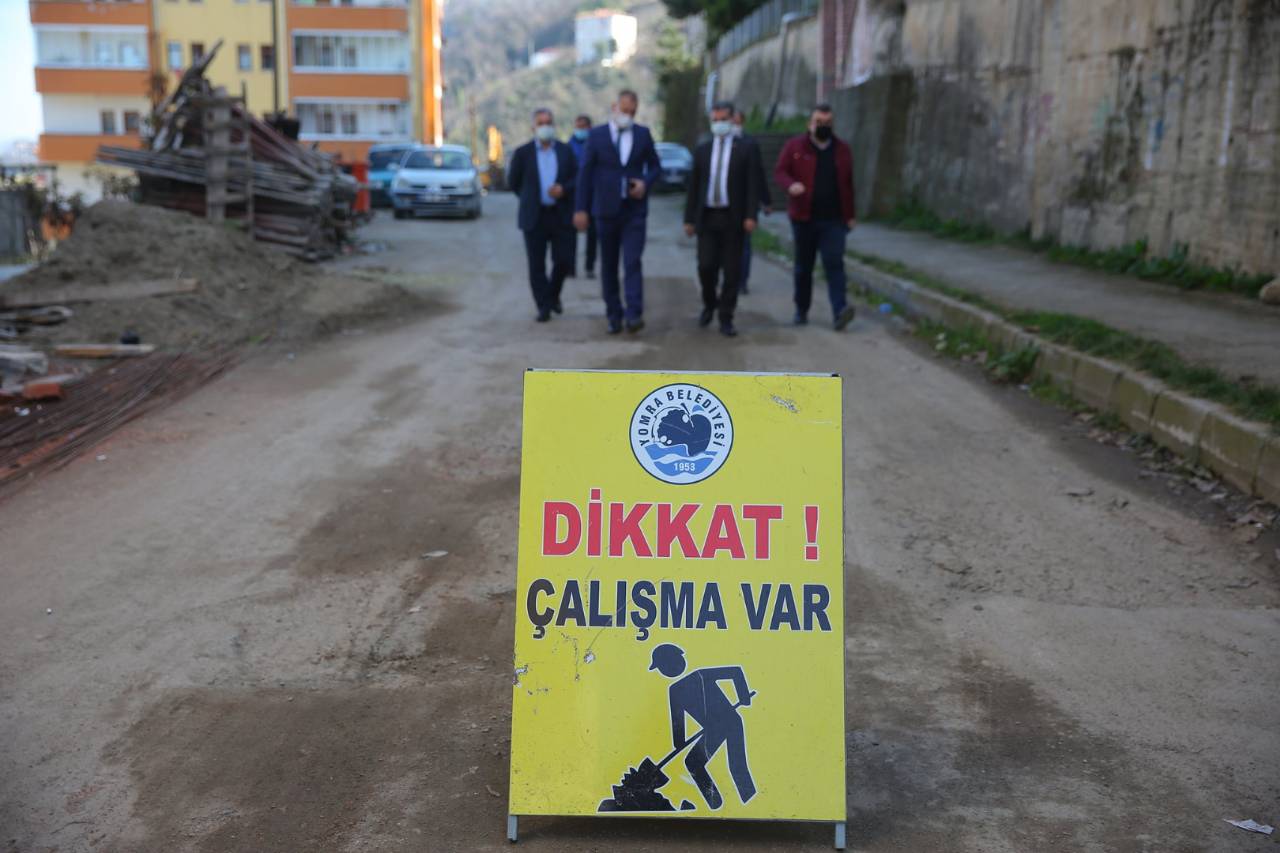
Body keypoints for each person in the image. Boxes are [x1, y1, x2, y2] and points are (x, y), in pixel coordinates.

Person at [574, 89, 662, 334]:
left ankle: (634, 314)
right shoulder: (597, 135)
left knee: (632, 261)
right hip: (606, 210)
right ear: (615, 107)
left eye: (632, 112)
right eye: (624, 110)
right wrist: (581, 208)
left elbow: (655, 166)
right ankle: (614, 314)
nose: (628, 115)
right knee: (609, 265)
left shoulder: (643, 134)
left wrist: (645, 182)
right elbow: (585, 173)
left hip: (634, 211)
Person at [774, 103, 857, 330]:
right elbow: (780, 171)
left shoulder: (842, 150)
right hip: (804, 218)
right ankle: (801, 309)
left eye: (828, 123)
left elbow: (848, 184)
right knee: (804, 266)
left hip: (834, 219)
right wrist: (791, 185)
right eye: (819, 122)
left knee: (834, 263)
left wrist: (850, 215)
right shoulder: (795, 146)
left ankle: (840, 310)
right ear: (809, 124)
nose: (823, 126)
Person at [683, 101, 759, 337]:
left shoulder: (745, 148)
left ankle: (726, 316)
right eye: (715, 120)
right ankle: (709, 303)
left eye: (723, 119)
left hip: (733, 218)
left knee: (732, 271)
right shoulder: (702, 150)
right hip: (707, 217)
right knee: (706, 266)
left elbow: (752, 185)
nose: (719, 124)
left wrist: (751, 215)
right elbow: (694, 187)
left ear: (732, 119)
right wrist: (689, 219)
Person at [649, 643, 757, 810]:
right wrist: (679, 743)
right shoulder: (675, 690)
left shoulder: (700, 675)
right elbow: (678, 722)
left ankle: (749, 803)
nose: (665, 670)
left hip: (730, 722)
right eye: (663, 668)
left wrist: (743, 695)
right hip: (714, 729)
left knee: (736, 765)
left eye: (664, 666)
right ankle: (716, 803)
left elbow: (735, 671)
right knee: (693, 763)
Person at [507, 108, 577, 322]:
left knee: (563, 260)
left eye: (548, 122)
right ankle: (543, 306)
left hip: (560, 214)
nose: (545, 127)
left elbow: (577, 178)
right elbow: (514, 182)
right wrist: (529, 198)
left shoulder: (565, 151)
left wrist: (563, 189)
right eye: (541, 123)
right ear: (533, 127)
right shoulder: (523, 153)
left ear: (554, 125)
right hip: (534, 216)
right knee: (536, 265)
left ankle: (553, 294)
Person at [732, 108, 772, 296]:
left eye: (736, 121)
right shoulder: (716, 143)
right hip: (725, 204)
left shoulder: (750, 144)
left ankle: (742, 281)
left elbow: (758, 173)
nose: (733, 125)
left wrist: (766, 200)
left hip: (746, 204)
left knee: (744, 245)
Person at [568, 114, 597, 279]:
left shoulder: (596, 145)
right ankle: (570, 267)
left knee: (593, 233)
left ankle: (589, 266)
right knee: (570, 232)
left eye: (583, 127)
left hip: (592, 194)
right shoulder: (568, 146)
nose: (579, 130)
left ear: (589, 127)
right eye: (577, 126)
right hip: (572, 193)